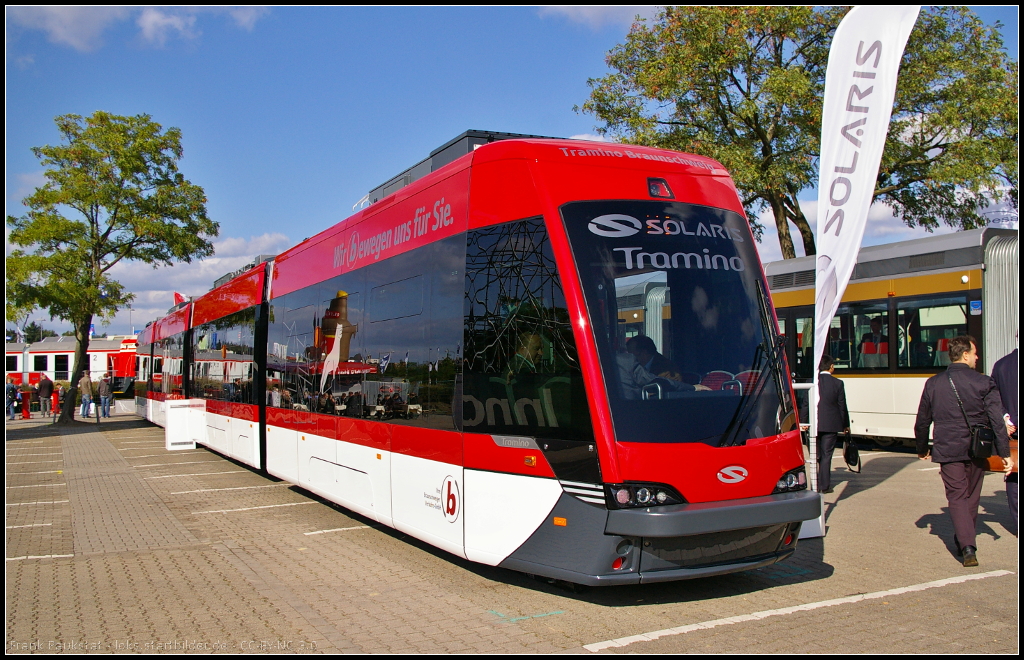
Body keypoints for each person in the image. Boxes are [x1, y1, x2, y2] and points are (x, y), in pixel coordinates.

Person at [915, 335, 1013, 567]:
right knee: (972, 495)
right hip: (978, 447)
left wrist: (921, 448)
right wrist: (1004, 454)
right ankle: (966, 541)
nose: (978, 357)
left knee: (957, 496)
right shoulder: (984, 382)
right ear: (965, 354)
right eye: (975, 353)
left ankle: (967, 545)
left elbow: (922, 421)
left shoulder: (933, 383)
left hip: (948, 447)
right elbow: (996, 421)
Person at [991, 345, 1018, 527]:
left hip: (1013, 430)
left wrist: (1006, 419)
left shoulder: (1001, 365)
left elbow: (993, 398)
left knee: (1015, 475)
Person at [816, 354, 850, 494]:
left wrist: (803, 421)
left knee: (817, 455)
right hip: (831, 424)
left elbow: (806, 404)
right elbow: (842, 406)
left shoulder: (813, 382)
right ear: (831, 367)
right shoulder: (838, 383)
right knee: (827, 455)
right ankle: (824, 486)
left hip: (815, 424)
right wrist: (845, 425)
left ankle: (815, 482)